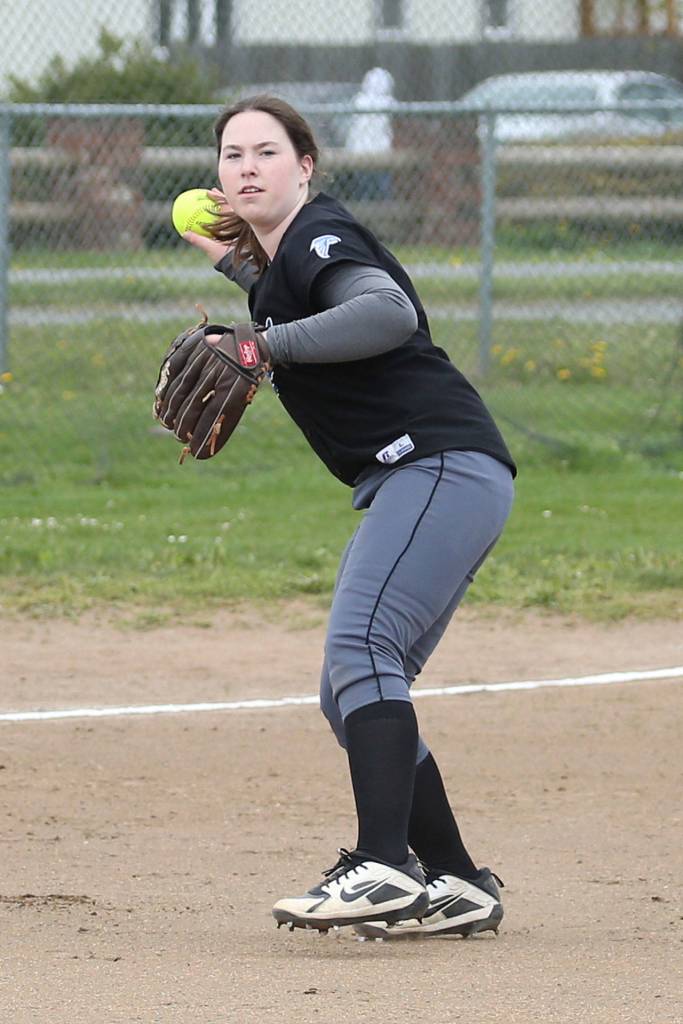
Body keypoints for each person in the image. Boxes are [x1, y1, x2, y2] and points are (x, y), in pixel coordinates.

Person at [182, 94, 516, 940]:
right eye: (231, 156)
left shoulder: (321, 235)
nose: (246, 166)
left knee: (359, 650)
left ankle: (381, 865)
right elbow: (289, 297)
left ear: (306, 167)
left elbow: (384, 311)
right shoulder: (284, 261)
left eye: (266, 151)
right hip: (436, 473)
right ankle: (456, 880)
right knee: (350, 689)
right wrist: (242, 273)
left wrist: (261, 346)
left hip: (434, 461)